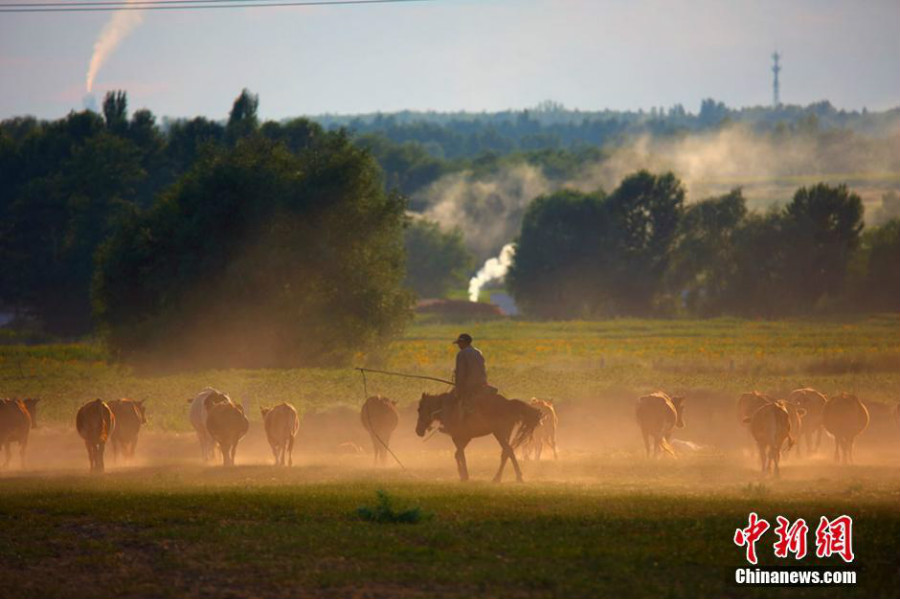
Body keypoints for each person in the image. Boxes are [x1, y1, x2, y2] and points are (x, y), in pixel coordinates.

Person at [452, 333, 489, 425]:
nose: (458, 345)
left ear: (463, 342)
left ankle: (461, 425)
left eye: (459, 343)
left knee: (457, 403)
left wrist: (458, 388)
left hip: (470, 386)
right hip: (482, 384)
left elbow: (461, 374)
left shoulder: (461, 354)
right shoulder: (478, 352)